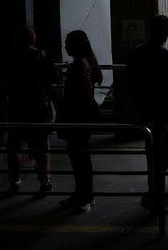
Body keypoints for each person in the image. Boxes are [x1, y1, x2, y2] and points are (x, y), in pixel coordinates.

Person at [125, 15, 168, 213]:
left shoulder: (137, 54)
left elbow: (130, 84)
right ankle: (157, 195)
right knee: (166, 154)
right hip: (167, 111)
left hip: (147, 110)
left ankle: (155, 192)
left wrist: (136, 107)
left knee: (153, 154)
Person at [3, 25, 56, 196]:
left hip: (17, 105)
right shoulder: (41, 56)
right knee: (41, 144)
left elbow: (6, 80)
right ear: (33, 39)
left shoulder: (11, 57)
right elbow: (51, 79)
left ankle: (14, 178)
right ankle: (45, 180)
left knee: (14, 143)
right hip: (37, 105)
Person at [58, 29, 103, 212]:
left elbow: (78, 94)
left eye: (68, 43)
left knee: (79, 157)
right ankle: (82, 194)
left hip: (78, 116)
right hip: (83, 115)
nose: (65, 46)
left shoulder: (79, 66)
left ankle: (85, 195)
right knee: (79, 156)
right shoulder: (86, 63)